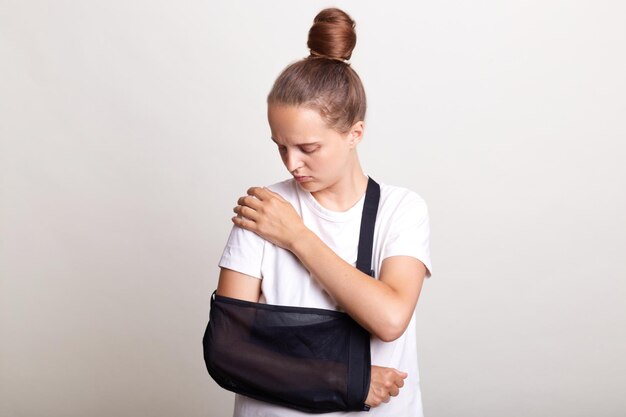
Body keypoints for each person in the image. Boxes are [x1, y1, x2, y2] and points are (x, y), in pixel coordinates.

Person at [215, 7, 433, 417]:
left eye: (308, 148)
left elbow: (389, 318)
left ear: (355, 133)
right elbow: (228, 351)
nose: (291, 163)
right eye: (281, 146)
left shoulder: (401, 210)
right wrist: (346, 381)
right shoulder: (264, 210)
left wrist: (296, 237)